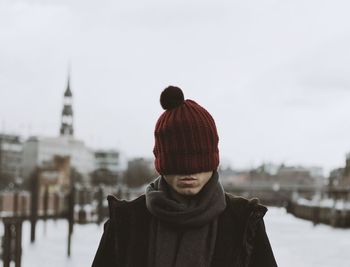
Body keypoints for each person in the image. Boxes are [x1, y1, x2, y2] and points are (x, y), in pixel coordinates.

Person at [92, 86, 277, 267]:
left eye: (198, 159)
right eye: (177, 161)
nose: (188, 170)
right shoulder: (126, 222)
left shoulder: (244, 223)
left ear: (213, 161)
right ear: (162, 164)